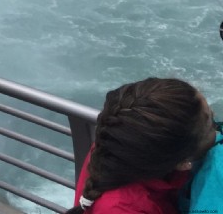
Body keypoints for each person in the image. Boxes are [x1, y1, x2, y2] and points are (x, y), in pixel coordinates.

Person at [69, 77, 217, 214]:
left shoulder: (120, 140)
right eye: (212, 123)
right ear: (184, 164)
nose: (215, 115)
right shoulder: (122, 208)